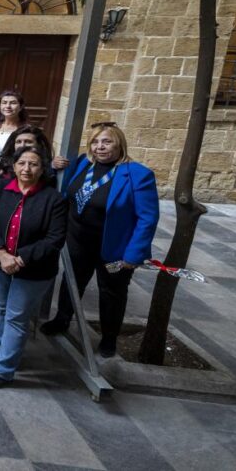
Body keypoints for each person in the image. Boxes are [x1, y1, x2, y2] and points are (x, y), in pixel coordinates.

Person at [40, 123, 159, 358]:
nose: (100, 147)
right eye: (95, 142)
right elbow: (63, 188)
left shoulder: (137, 174)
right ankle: (62, 319)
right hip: (77, 240)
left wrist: (133, 255)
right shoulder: (84, 162)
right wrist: (53, 167)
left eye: (106, 142)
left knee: (112, 292)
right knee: (71, 282)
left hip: (113, 248)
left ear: (119, 144)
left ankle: (109, 338)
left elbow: (147, 218)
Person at [0, 147, 67, 388]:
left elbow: (54, 239)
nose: (27, 169)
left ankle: (3, 370)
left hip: (34, 270)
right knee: (1, 310)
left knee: (16, 317)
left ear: (43, 168)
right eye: (22, 163)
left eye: (34, 164)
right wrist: (1, 253)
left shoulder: (54, 199)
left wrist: (18, 259)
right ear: (14, 166)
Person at [0, 125, 68, 182]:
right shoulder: (4, 165)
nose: (22, 145)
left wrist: (52, 166)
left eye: (28, 142)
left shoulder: (48, 165)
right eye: (18, 142)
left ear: (39, 145)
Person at [0, 90, 28, 160]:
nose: (8, 106)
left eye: (13, 103)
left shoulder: (25, 130)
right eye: (4, 103)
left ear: (21, 106)